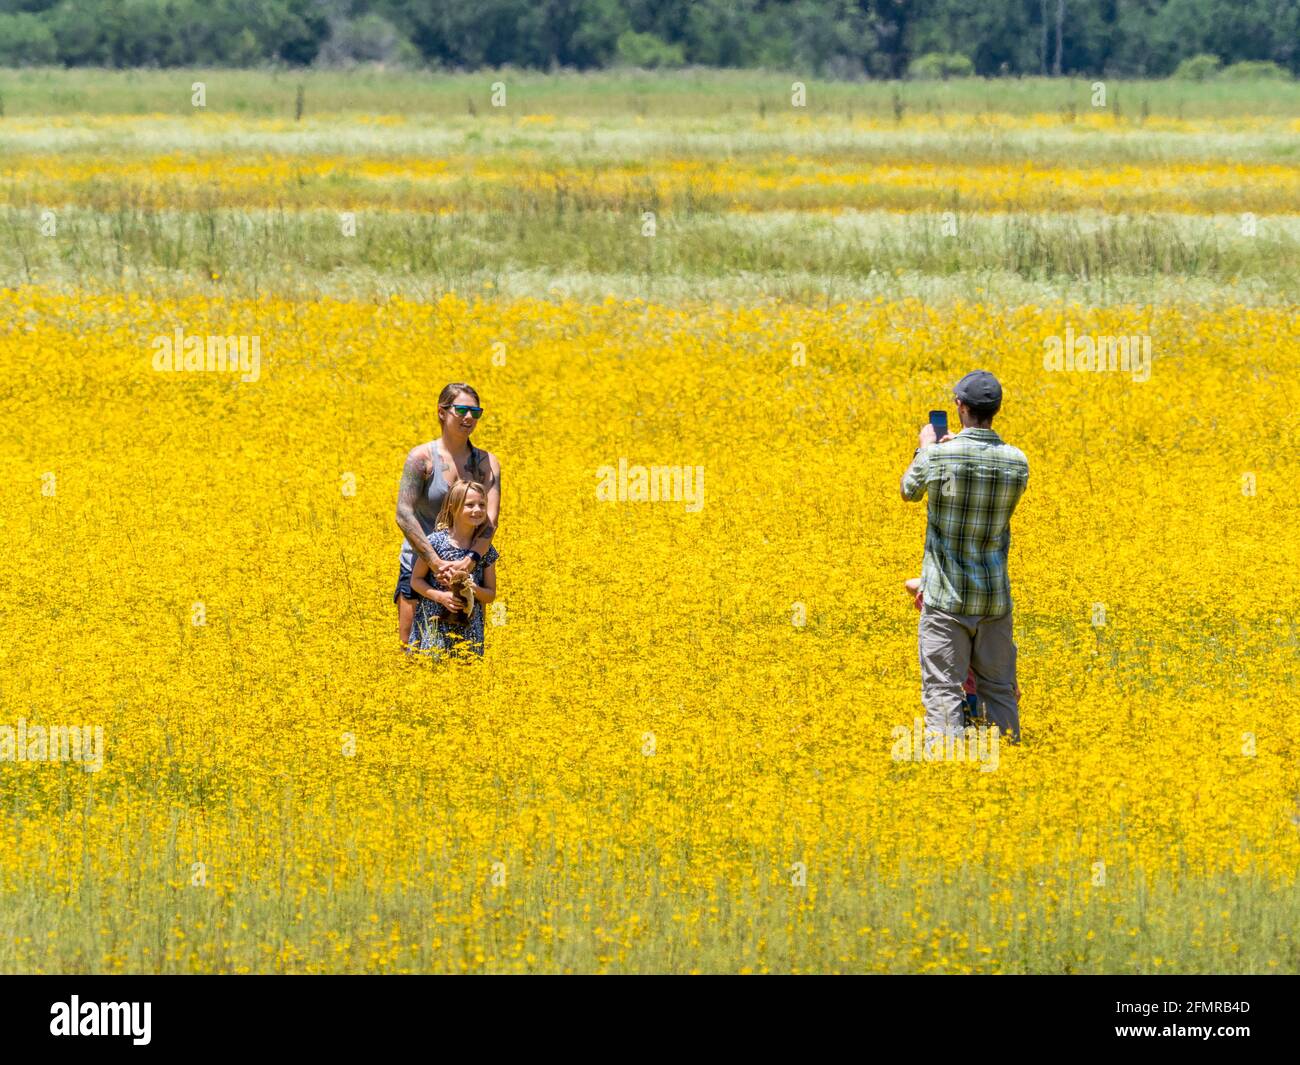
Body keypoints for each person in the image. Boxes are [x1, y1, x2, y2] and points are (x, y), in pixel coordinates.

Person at [899, 371, 1029, 742]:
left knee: (943, 690)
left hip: (945, 598)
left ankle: (948, 768)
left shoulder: (938, 456)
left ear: (960, 407)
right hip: (993, 598)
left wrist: (927, 447)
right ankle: (1009, 760)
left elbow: (909, 490)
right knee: (1000, 690)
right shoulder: (1017, 462)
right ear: (996, 410)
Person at [394, 383, 501, 648]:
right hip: (419, 567)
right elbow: (404, 514)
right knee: (413, 649)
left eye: (475, 412)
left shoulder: (487, 463)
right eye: (462, 410)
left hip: (467, 571)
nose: (469, 418)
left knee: (465, 648)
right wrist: (435, 563)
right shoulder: (421, 458)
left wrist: (470, 562)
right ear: (442, 412)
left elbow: (491, 520)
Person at [409, 481, 500, 659]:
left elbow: (490, 595)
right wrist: (441, 597)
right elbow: (416, 580)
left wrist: (472, 588)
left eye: (482, 504)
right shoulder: (434, 542)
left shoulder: (485, 549)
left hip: (470, 631)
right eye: (470, 504)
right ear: (453, 507)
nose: (478, 510)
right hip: (434, 627)